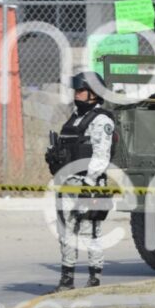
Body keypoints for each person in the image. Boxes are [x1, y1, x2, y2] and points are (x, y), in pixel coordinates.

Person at [45, 71, 116, 292]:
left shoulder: (101, 120)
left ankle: (94, 279)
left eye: (81, 90)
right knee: (66, 234)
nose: (77, 93)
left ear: (94, 93)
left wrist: (89, 183)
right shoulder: (74, 118)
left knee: (89, 232)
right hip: (66, 184)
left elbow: (101, 155)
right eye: (76, 90)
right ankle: (66, 280)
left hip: (88, 184)